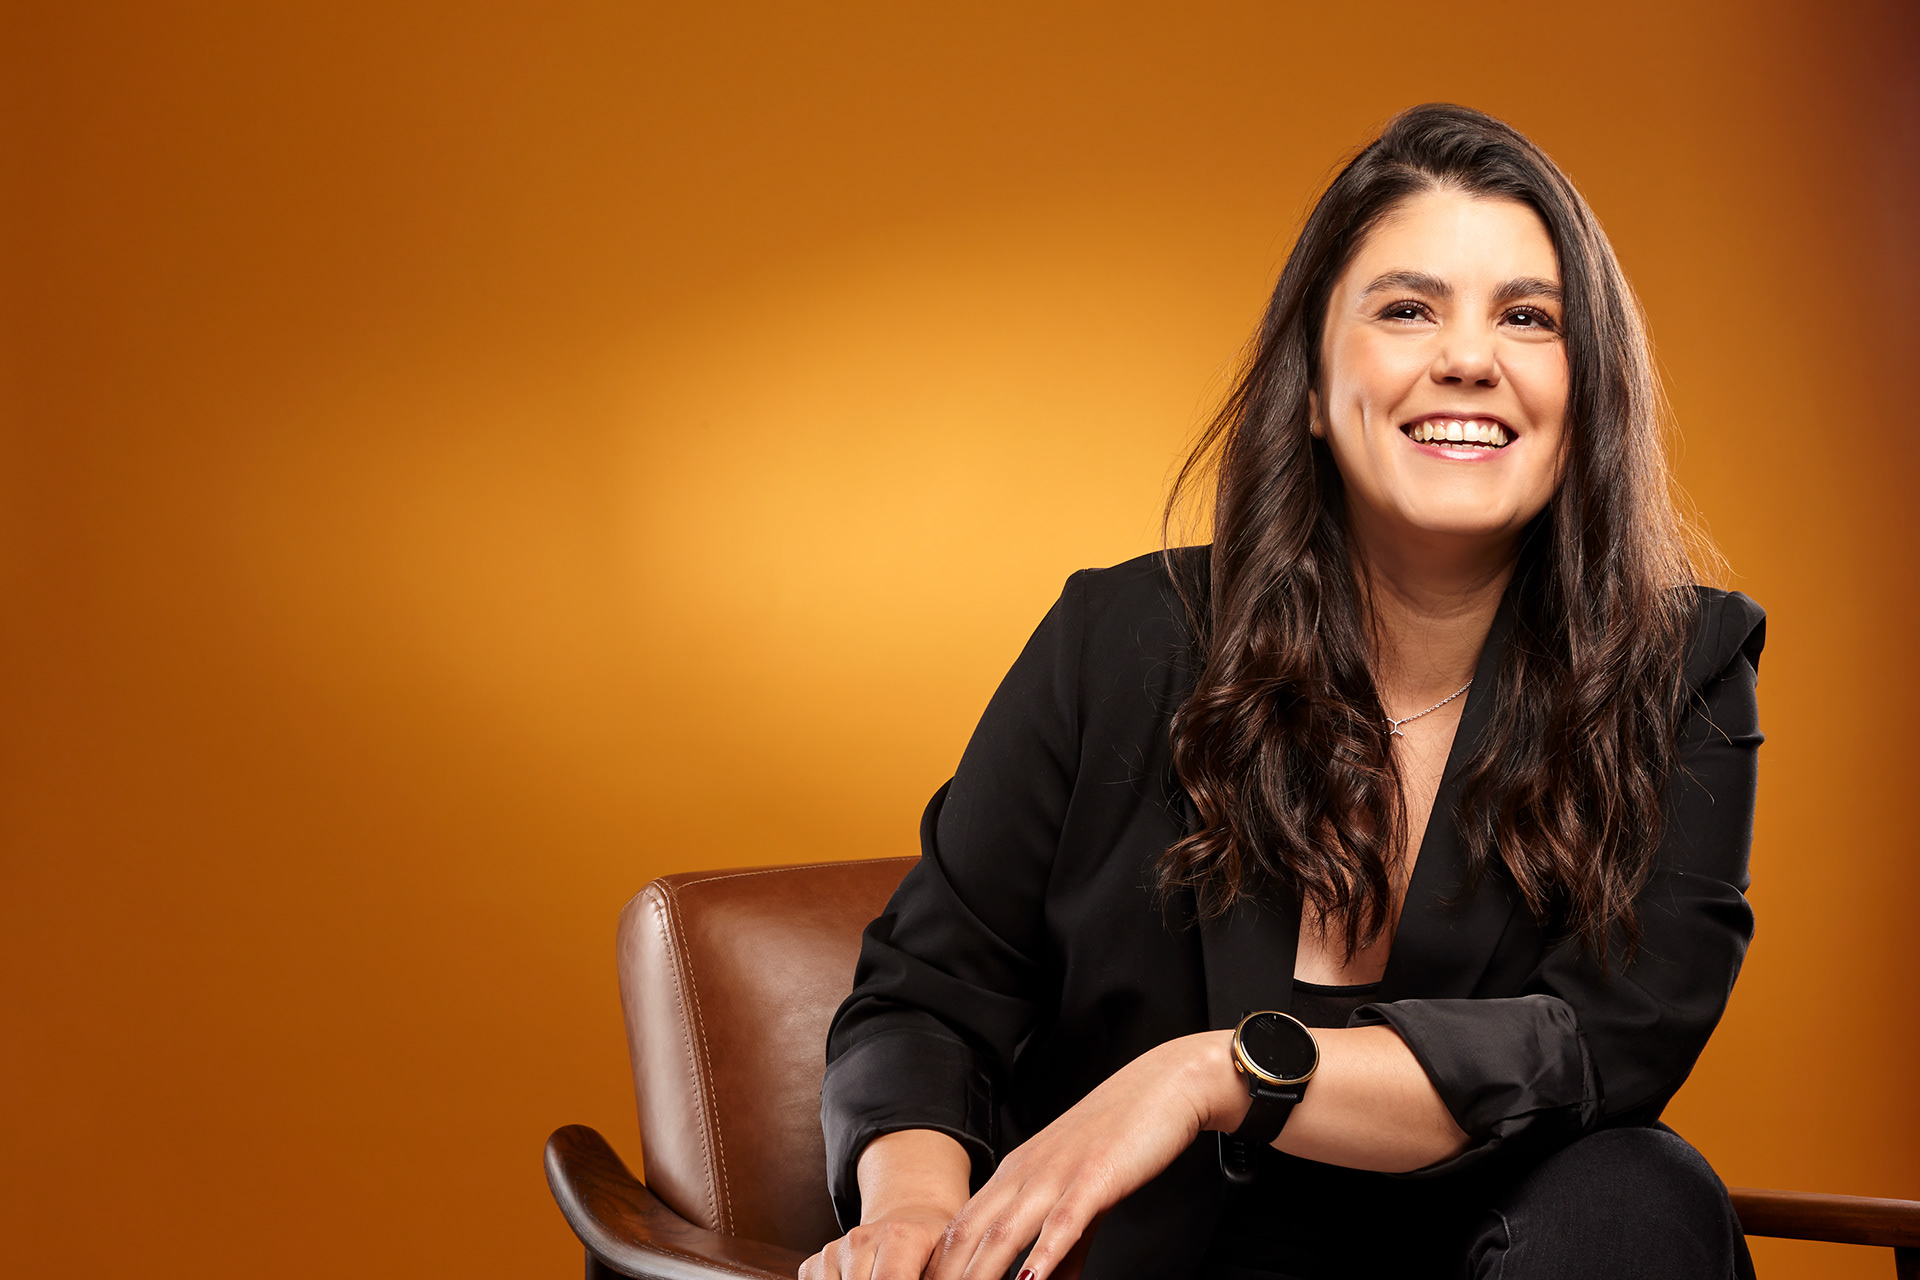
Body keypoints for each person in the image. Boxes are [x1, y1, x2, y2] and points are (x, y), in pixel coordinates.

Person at [805, 104, 1765, 1280]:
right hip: (1146, 1262)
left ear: (1587, 393)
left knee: (1637, 1190)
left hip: (1488, 1257)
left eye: (1528, 317)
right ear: (1311, 386)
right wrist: (913, 1212)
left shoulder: (1681, 669)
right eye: (1407, 309)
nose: (1469, 358)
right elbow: (927, 996)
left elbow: (1600, 1045)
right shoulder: (1118, 638)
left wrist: (1210, 1073)